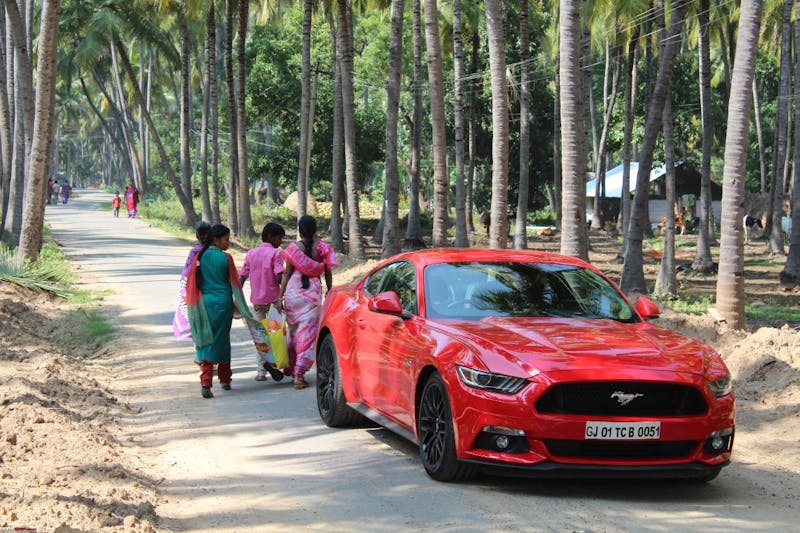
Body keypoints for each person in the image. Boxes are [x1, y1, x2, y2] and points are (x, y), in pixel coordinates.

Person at [184, 223, 252, 398]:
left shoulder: (200, 255)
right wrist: (243, 308)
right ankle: (225, 379)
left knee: (206, 341)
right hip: (223, 305)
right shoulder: (226, 258)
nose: (228, 243)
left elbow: (192, 281)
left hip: (204, 303)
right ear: (216, 240)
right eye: (226, 240)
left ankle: (206, 381)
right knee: (222, 340)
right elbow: (235, 285)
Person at [277, 215, 337, 390]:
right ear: (315, 229)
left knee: (294, 333)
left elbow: (286, 274)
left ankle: (293, 367)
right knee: (308, 335)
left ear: (299, 230)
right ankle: (299, 374)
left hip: (293, 294)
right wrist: (330, 290)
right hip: (312, 293)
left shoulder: (292, 249)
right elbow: (327, 273)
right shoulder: (323, 248)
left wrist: (280, 297)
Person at [240, 222, 286, 381]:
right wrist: (287, 285)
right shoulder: (276, 253)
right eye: (280, 238)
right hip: (273, 301)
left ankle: (261, 371)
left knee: (261, 336)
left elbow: (242, 276)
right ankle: (276, 364)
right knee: (275, 334)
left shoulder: (251, 253)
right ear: (271, 237)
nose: (280, 242)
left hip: (258, 301)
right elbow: (279, 276)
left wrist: (237, 296)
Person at [173, 221, 212, 340]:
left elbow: (187, 271)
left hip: (193, 287)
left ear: (197, 236)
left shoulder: (194, 251)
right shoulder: (215, 252)